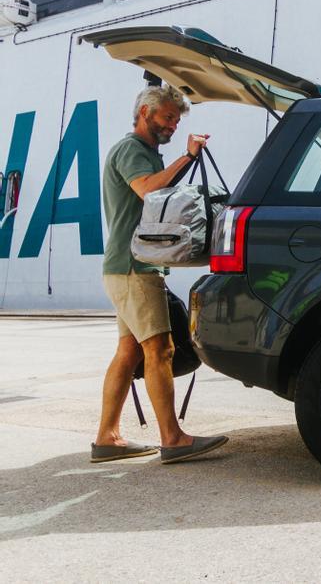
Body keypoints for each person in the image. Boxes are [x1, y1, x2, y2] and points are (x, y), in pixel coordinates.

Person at [91, 85, 229, 464]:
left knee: (130, 351)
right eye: (168, 117)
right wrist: (187, 157)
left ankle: (107, 438)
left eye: (176, 119)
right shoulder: (132, 151)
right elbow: (148, 191)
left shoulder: (147, 153)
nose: (172, 124)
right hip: (135, 269)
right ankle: (173, 438)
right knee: (160, 349)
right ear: (145, 112)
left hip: (126, 267)